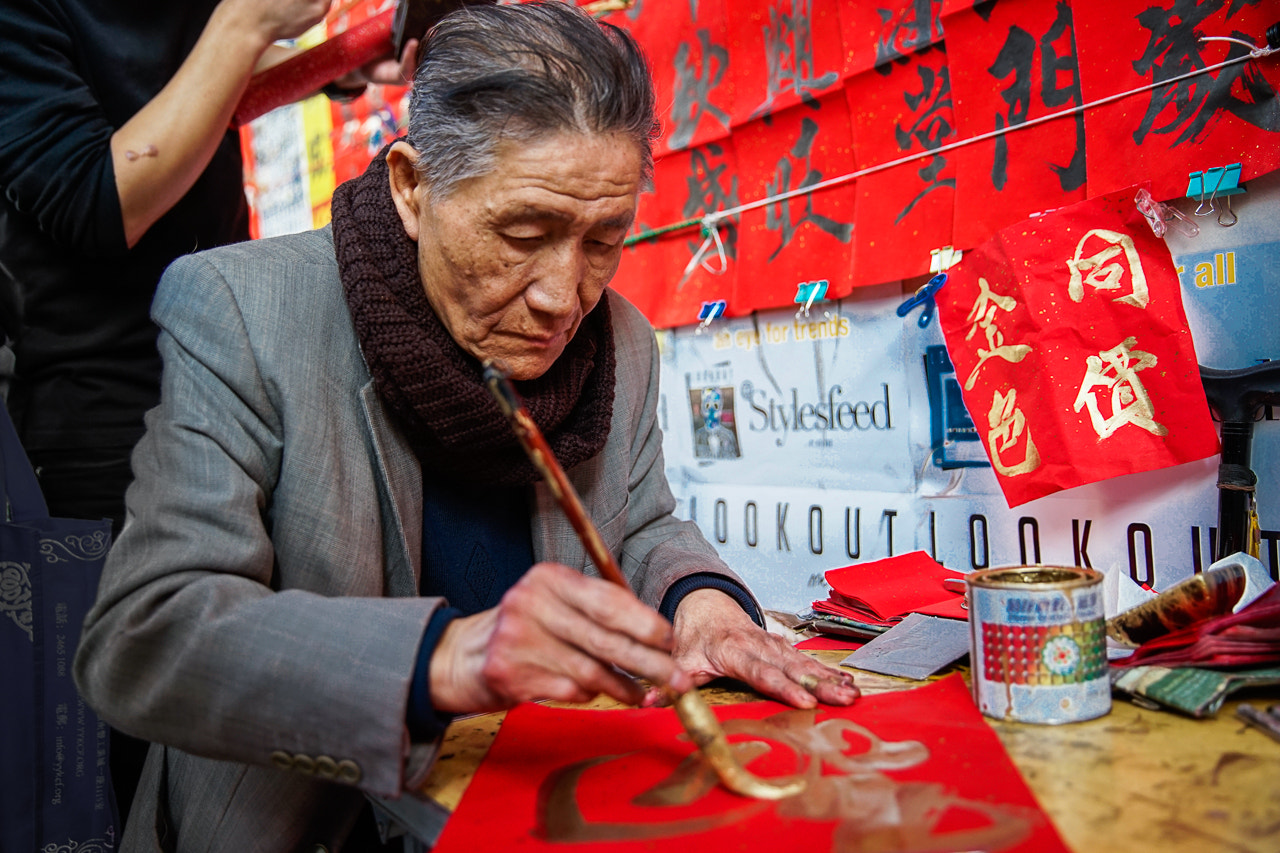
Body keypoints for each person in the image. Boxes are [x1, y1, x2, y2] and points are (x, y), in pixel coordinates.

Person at [73, 3, 860, 850]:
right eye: (523, 233)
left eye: (605, 240)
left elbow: (639, 521)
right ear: (414, 189)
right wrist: (449, 655)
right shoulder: (245, 313)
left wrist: (703, 605)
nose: (564, 294)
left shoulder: (620, 340)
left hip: (535, 814)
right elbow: (145, 633)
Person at [0, 0, 414, 826]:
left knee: (233, 712)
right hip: (97, 398)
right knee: (125, 720)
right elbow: (93, 199)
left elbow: (211, 97)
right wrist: (248, 20)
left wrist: (358, 47)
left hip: (222, 360)